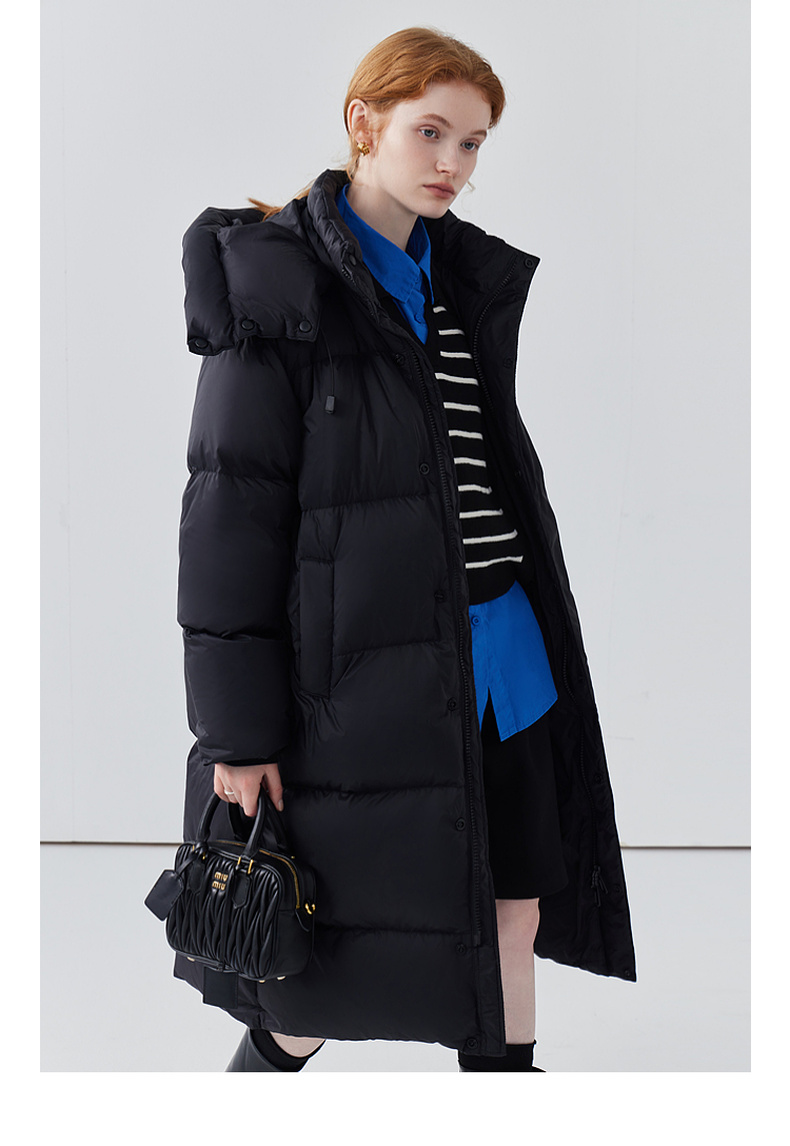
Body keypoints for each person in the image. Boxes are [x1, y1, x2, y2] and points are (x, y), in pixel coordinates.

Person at [175, 25, 637, 1073]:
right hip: (361, 685)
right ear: (363, 122)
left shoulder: (457, 284)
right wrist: (236, 734)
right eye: (431, 132)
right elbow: (227, 525)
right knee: (319, 972)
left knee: (511, 914)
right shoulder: (278, 288)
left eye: (472, 144)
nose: (452, 164)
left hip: (506, 663)